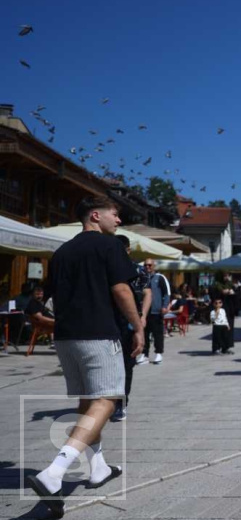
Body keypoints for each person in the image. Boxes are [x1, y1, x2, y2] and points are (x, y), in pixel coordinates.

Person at [26, 196, 141, 515]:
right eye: (115, 215)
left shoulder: (61, 252)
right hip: (98, 333)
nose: (118, 221)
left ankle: (98, 467)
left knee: (88, 401)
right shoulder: (109, 246)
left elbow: (46, 299)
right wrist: (138, 326)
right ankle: (54, 473)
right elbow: (121, 289)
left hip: (65, 337)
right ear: (96, 215)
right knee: (107, 399)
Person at [112, 235, 152, 422]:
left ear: (128, 250)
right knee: (110, 365)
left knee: (127, 364)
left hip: (129, 322)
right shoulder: (106, 268)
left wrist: (142, 316)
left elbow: (147, 292)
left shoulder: (137, 269)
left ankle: (121, 403)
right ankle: (108, 402)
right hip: (108, 322)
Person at [139, 259, 170, 365]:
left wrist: (165, 306)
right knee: (144, 334)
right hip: (144, 312)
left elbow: (167, 293)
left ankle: (158, 353)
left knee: (158, 334)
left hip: (156, 311)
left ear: (154, 266)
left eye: (149, 265)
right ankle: (144, 354)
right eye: (145, 265)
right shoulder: (141, 278)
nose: (147, 267)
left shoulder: (160, 278)